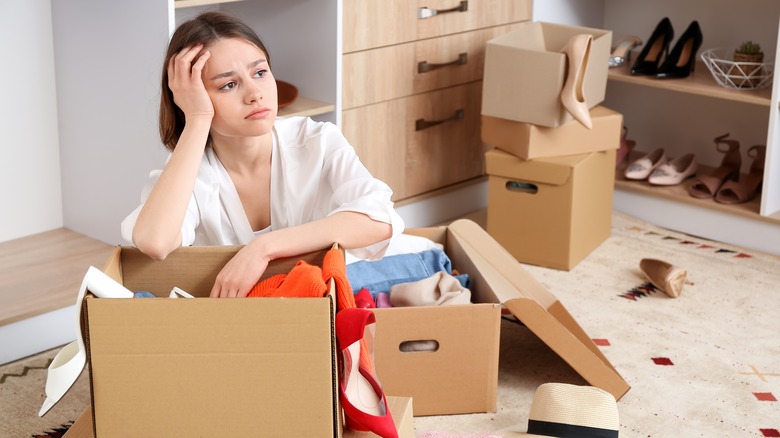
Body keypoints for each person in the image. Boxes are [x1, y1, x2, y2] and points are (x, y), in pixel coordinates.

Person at [121, 11, 404, 298]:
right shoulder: (190, 170)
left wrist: (263, 248)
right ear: (191, 97)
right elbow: (154, 242)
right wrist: (196, 119)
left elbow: (381, 219)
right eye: (228, 85)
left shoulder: (316, 140)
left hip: (315, 303)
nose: (255, 93)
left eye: (260, 72)